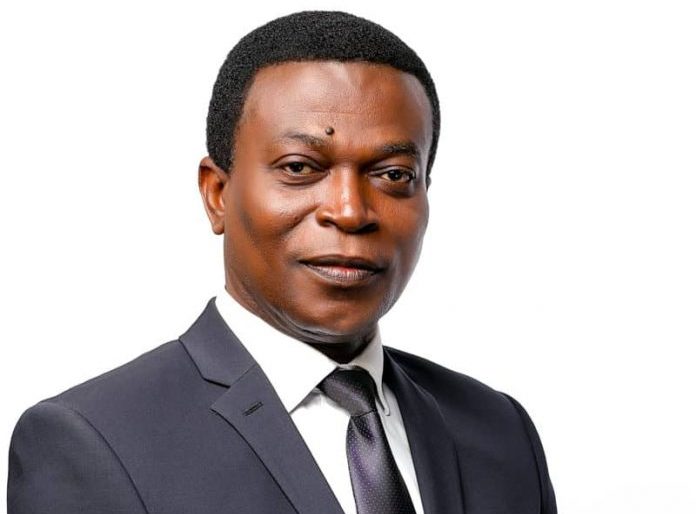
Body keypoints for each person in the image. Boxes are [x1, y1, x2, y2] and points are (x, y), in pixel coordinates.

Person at [7, 10, 556, 514]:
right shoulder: (94, 441)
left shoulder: (499, 432)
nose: (349, 211)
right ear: (217, 194)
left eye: (393, 175)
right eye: (299, 167)